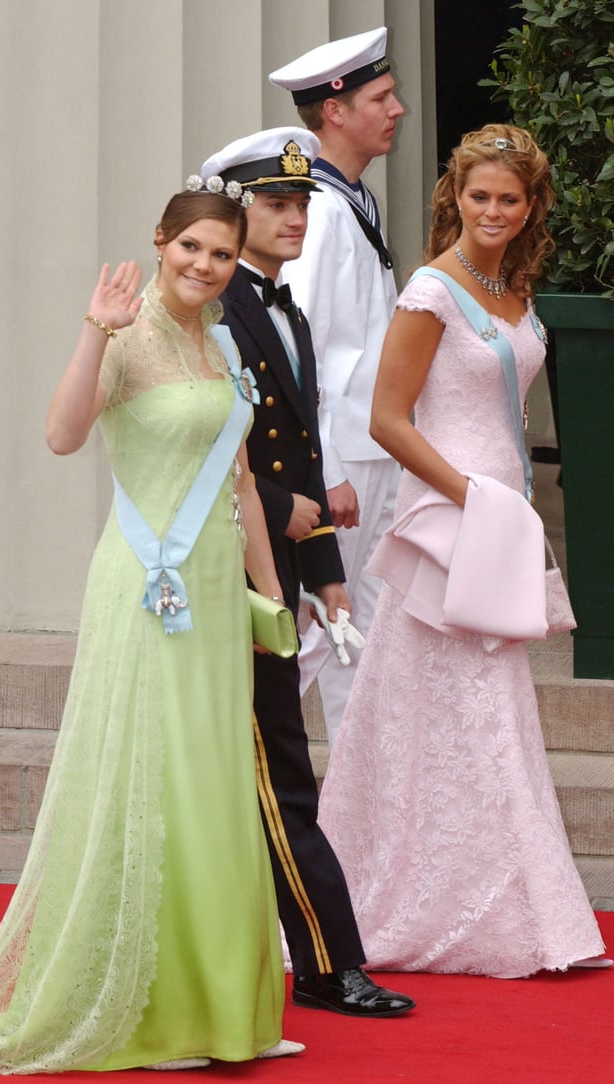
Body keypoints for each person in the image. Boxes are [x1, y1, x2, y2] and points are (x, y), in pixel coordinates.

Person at [0, 189, 304, 1071]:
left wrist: (274, 601)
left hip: (220, 594)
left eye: (221, 255)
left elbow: (246, 484)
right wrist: (93, 332)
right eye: (190, 247)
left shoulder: (219, 339)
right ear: (159, 242)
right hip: (149, 591)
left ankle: (229, 1012)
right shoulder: (127, 333)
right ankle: (153, 1009)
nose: (203, 266)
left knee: (215, 787)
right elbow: (64, 435)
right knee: (159, 784)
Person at [317, 123, 612, 978]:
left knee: (482, 707)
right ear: (456, 197)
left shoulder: (512, 288)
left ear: (530, 208)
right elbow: (387, 420)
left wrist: (503, 505)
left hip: (498, 516)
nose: (492, 210)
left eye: (508, 199)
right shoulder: (432, 292)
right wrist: (469, 496)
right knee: (445, 703)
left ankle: (502, 897)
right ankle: (428, 897)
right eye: (479, 195)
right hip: (451, 516)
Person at [200, 128, 415, 1018]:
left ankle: (312, 960)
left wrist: (325, 569)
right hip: (220, 572)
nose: (295, 218)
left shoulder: (282, 307)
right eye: (276, 205)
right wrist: (286, 507)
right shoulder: (218, 311)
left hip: (278, 569)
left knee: (274, 763)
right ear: (235, 209)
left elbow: (302, 441)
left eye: (300, 204)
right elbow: (222, 446)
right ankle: (327, 961)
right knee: (277, 765)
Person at [269, 27, 405, 744]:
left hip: (371, 449)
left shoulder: (351, 199)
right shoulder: (318, 212)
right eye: (380, 98)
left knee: (363, 632)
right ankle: (240, 769)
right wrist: (329, 470)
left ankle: (354, 816)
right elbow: (304, 348)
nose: (398, 110)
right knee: (331, 623)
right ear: (334, 112)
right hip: (347, 459)